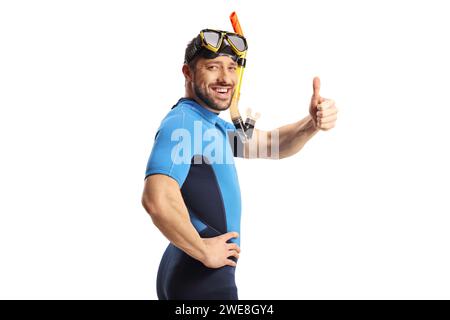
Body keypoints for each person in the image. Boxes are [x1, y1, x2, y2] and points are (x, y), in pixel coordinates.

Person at [141, 29, 338, 300]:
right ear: (187, 72)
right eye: (213, 67)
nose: (225, 78)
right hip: (202, 278)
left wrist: (311, 123)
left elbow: (272, 145)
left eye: (232, 68)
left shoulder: (210, 126)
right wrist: (203, 250)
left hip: (190, 271)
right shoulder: (183, 124)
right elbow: (156, 199)